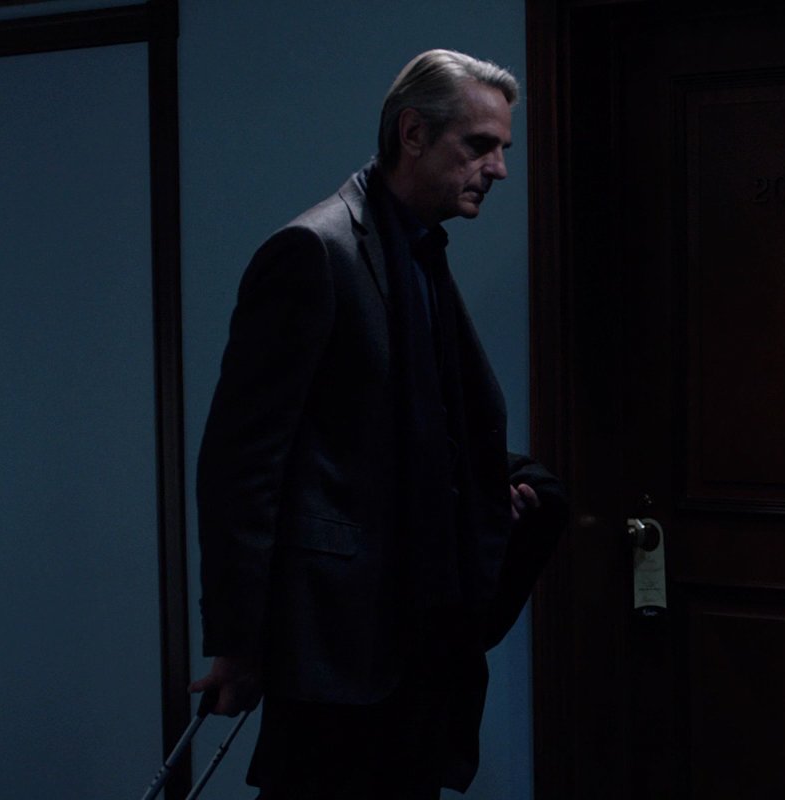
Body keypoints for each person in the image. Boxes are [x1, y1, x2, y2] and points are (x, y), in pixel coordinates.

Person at [188, 50, 568, 798]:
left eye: (502, 149)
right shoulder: (314, 251)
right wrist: (239, 642)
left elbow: (408, 425)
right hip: (337, 645)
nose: (497, 169)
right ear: (413, 134)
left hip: (418, 637)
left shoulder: (419, 250)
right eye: (479, 146)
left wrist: (487, 487)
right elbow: (242, 464)